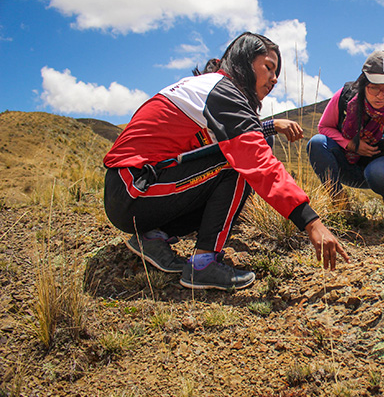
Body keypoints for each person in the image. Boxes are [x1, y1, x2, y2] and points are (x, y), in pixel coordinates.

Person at [103, 32, 349, 291]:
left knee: (241, 152)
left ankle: (153, 236)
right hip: (133, 191)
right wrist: (311, 222)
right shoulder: (223, 91)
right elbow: (256, 160)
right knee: (238, 164)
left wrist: (270, 125)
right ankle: (203, 265)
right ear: (244, 61)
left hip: (133, 190)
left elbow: (233, 134)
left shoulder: (209, 89)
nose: (275, 79)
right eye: (269, 67)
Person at [306, 50, 384, 228]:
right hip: (350, 166)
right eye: (374, 87)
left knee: (379, 171)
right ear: (363, 83)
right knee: (316, 143)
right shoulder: (346, 96)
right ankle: (339, 202)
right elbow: (324, 127)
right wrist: (351, 145)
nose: (381, 95)